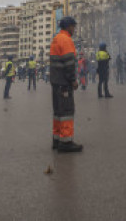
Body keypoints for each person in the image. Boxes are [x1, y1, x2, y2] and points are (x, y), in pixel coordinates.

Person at [50, 17, 82, 153]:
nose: (74, 29)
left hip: (56, 81)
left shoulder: (56, 38)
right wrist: (73, 80)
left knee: (58, 112)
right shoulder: (66, 40)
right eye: (73, 27)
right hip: (64, 82)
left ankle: (57, 140)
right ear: (68, 26)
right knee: (67, 111)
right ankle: (66, 142)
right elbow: (69, 63)